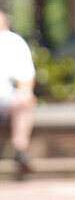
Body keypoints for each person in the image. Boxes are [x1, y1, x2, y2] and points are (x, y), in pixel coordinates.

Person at [0, 10, 36, 180]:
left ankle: (20, 152)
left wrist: (25, 93)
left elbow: (26, 76)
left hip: (6, 101)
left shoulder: (13, 42)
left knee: (26, 101)